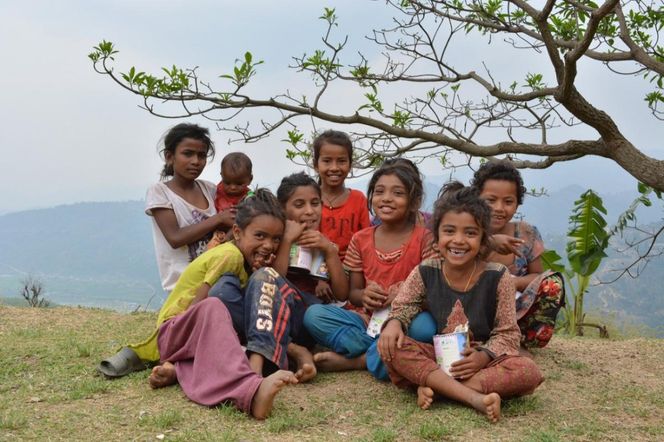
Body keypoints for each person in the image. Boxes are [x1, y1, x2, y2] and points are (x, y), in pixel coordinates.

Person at [103, 190, 299, 418]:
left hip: (188, 338)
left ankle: (181, 370)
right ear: (237, 231)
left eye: (276, 239)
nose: (269, 245)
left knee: (228, 314)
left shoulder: (243, 262)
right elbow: (200, 307)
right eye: (260, 236)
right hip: (175, 332)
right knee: (215, 304)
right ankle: (250, 392)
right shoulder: (230, 256)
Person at [378, 182, 543, 423]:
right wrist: (394, 323)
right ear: (436, 237)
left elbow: (508, 334)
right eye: (449, 231)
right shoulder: (426, 271)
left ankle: (438, 389)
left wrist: (482, 356)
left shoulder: (498, 276)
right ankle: (472, 397)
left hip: (481, 359)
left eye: (470, 233)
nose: (458, 241)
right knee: (394, 349)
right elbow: (403, 306)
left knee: (528, 370)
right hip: (438, 356)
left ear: (483, 239)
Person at [304, 160, 437, 377]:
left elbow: (432, 292)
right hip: (368, 320)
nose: (386, 198)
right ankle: (380, 349)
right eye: (380, 191)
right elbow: (352, 293)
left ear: (414, 201)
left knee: (425, 330)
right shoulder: (361, 239)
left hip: (408, 319)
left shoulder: (425, 239)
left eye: (397, 193)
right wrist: (365, 295)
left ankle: (361, 360)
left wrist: (400, 296)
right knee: (314, 316)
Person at [471, 161, 564, 348]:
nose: (499, 208)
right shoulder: (464, 230)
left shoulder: (526, 234)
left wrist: (511, 283)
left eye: (508, 201)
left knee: (552, 283)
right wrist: (488, 243)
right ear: (476, 199)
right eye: (491, 200)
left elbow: (537, 276)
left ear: (517, 203)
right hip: (471, 309)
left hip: (515, 311)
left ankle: (519, 339)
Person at [146, 123, 235, 292]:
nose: (196, 161)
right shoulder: (160, 192)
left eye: (201, 155)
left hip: (217, 279)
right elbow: (175, 238)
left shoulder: (210, 189)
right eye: (187, 154)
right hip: (184, 286)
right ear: (169, 156)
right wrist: (218, 219)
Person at [313, 130, 371, 261]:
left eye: (341, 161)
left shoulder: (358, 199)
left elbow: (366, 241)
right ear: (316, 165)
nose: (334, 167)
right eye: (327, 161)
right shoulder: (309, 199)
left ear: (350, 164)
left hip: (350, 267)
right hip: (312, 265)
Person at [207, 152, 254, 249]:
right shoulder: (213, 191)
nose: (232, 187)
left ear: (250, 179)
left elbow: (246, 221)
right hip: (213, 231)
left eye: (239, 184)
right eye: (227, 183)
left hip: (235, 235)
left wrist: (228, 236)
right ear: (221, 176)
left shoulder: (249, 198)